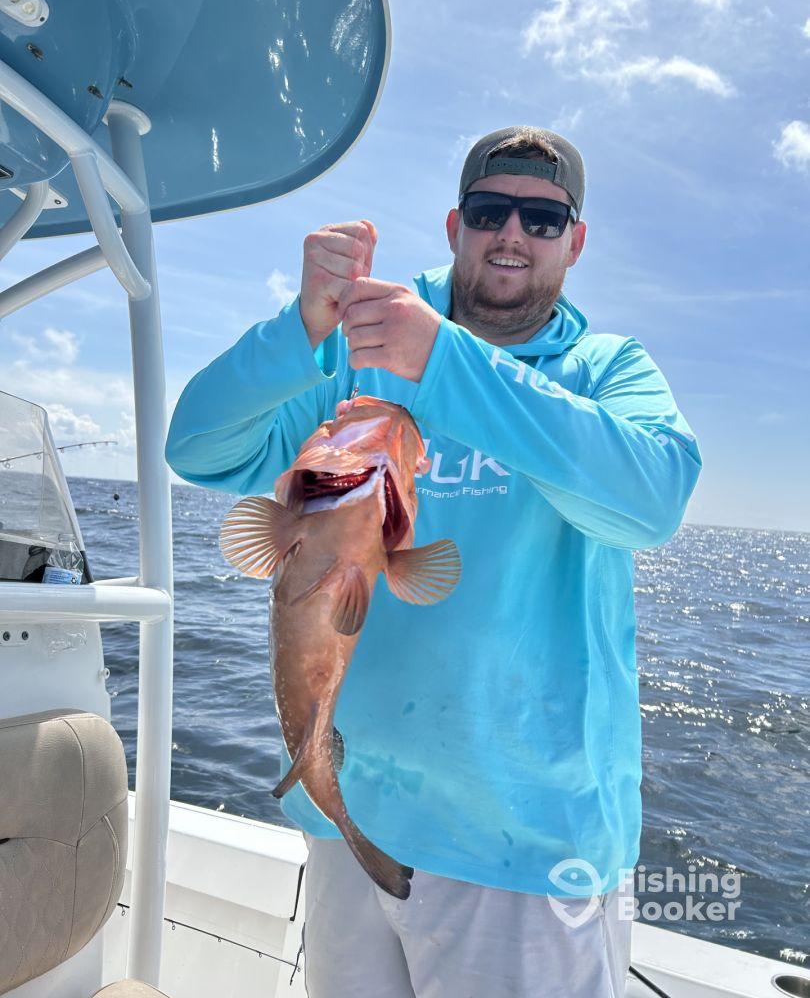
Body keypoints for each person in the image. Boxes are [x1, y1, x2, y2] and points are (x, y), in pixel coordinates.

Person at [165, 126, 702, 997]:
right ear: (456, 225)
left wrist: (446, 362)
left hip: (524, 847)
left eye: (543, 216)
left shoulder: (605, 370)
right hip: (346, 811)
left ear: (576, 240)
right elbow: (197, 446)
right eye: (492, 211)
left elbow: (654, 500)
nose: (513, 234)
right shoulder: (355, 350)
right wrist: (301, 327)